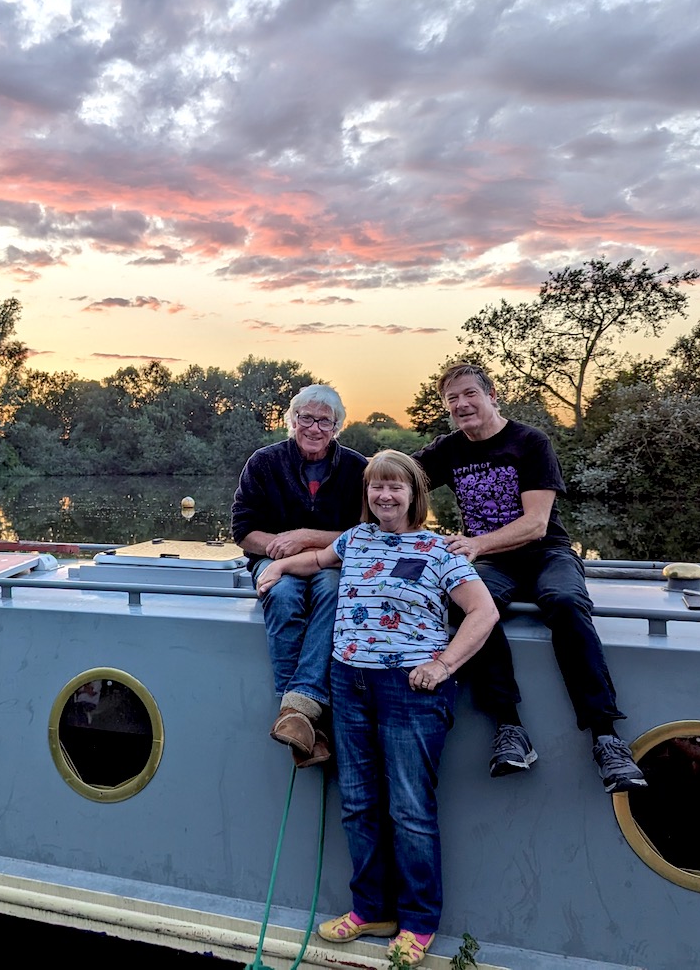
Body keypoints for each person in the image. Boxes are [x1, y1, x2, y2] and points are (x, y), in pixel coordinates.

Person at [256, 450, 499, 966]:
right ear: (366, 494)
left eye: (395, 488)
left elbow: (483, 611)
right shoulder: (356, 539)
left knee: (410, 810)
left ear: (414, 495)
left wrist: (444, 664)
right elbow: (317, 561)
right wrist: (277, 565)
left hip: (410, 691)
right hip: (349, 684)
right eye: (375, 487)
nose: (384, 496)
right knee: (359, 804)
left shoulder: (439, 549)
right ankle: (370, 909)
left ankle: (417, 921)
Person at [413, 362, 647, 793]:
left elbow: (536, 524)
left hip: (545, 553)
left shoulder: (529, 442)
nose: (462, 405)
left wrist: (477, 544)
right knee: (470, 609)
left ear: (491, 395)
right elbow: (392, 479)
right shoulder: (448, 450)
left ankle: (606, 738)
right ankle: (510, 729)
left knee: (565, 602)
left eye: (469, 394)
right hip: (495, 565)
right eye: (452, 399)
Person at [231, 384, 367, 767]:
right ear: (291, 420)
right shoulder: (263, 462)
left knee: (334, 589)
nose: (314, 427)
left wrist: (308, 540)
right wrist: (277, 546)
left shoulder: (358, 468)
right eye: (306, 417)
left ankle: (294, 714)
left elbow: (366, 533)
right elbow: (243, 531)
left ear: (338, 426)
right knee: (285, 592)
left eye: (325, 420)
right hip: (272, 559)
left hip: (333, 562)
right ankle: (306, 718)